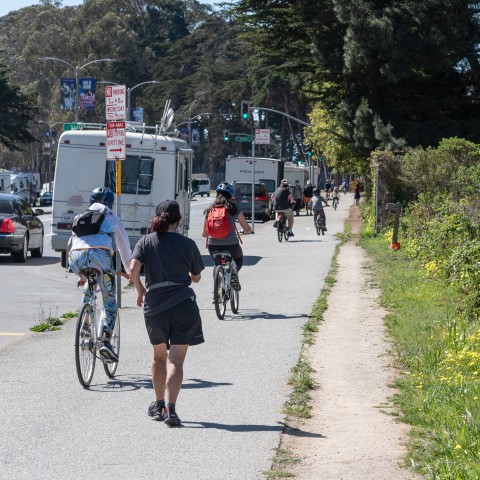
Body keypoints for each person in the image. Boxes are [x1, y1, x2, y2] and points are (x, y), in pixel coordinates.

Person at [130, 200, 205, 428]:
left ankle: (159, 404)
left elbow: (133, 269)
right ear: (178, 221)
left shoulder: (145, 242)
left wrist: (141, 290)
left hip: (156, 306)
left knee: (159, 358)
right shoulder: (187, 243)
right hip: (183, 304)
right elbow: (197, 276)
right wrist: (190, 276)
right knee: (176, 361)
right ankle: (172, 409)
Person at [68, 187, 132, 362]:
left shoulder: (79, 217)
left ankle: (85, 324)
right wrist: (130, 273)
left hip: (75, 258)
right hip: (100, 258)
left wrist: (81, 275)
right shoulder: (113, 218)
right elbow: (124, 250)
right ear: (110, 203)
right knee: (109, 299)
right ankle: (105, 341)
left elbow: (72, 243)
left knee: (90, 282)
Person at [202, 182, 252, 292]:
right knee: (239, 259)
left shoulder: (209, 210)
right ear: (230, 195)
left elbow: (204, 234)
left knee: (217, 264)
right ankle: (233, 271)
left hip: (213, 246)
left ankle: (217, 289)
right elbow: (246, 227)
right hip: (231, 245)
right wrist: (248, 231)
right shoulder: (234, 208)